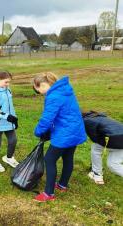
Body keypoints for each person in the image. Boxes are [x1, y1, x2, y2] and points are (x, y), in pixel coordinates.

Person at [32, 72, 86, 202]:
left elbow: (47, 119)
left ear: (43, 85)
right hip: (75, 130)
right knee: (68, 157)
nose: (39, 92)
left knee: (49, 159)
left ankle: (48, 194)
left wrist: (38, 131)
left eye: (38, 89)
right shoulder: (65, 90)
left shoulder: (54, 96)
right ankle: (62, 184)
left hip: (65, 133)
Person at [0, 71, 19, 172]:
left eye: (9, 82)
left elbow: (10, 106)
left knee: (13, 140)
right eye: (6, 82)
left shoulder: (7, 90)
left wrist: (14, 118)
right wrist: (7, 116)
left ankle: (9, 157)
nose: (8, 84)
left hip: (9, 122)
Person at [83, 111, 123, 184]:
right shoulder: (100, 117)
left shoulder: (87, 121)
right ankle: (95, 172)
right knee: (113, 163)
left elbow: (94, 138)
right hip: (119, 137)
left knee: (96, 148)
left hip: (115, 138)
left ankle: (97, 175)